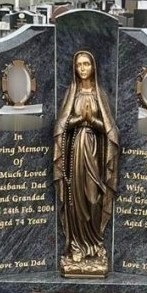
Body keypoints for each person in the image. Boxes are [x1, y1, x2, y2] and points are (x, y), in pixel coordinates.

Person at [53, 50, 120, 267]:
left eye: (86, 64)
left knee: (93, 197)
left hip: (95, 151)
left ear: (93, 67)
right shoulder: (72, 93)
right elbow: (61, 126)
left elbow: (111, 131)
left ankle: (94, 243)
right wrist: (78, 119)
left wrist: (93, 122)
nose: (82, 69)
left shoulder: (100, 94)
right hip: (74, 152)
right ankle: (76, 245)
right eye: (79, 65)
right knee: (75, 199)